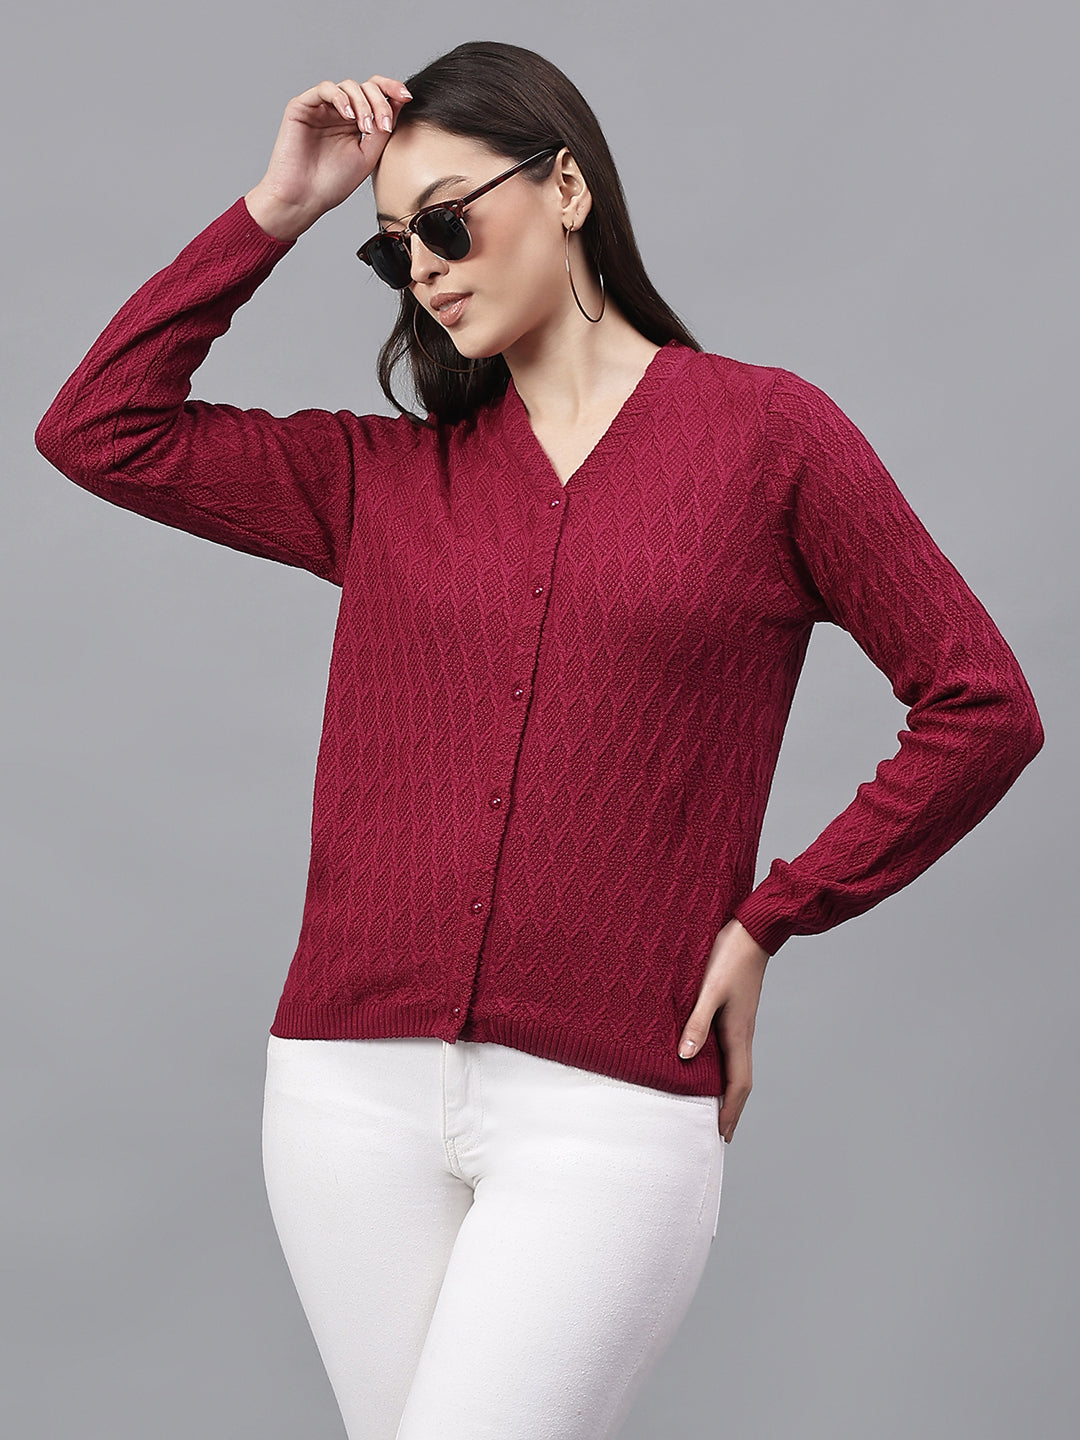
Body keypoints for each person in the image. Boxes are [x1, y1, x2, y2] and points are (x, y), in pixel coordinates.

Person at [34, 38, 1044, 1440]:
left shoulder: (769, 440)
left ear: (566, 187)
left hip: (609, 1099)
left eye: (447, 222)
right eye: (394, 250)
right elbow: (99, 429)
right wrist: (279, 209)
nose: (426, 269)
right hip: (345, 1092)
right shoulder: (384, 479)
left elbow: (982, 704)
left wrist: (775, 916)